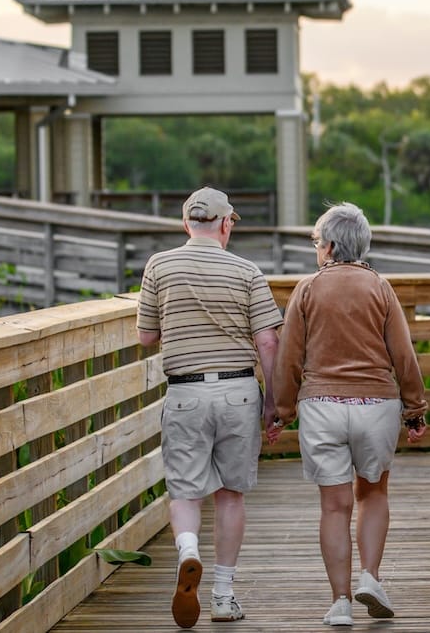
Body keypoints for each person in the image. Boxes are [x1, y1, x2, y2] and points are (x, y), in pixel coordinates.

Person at [274, 202, 428, 627]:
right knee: (373, 494)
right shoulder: (380, 287)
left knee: (334, 507)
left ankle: (340, 602)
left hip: (322, 407)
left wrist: (282, 411)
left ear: (328, 246)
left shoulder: (307, 289)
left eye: (317, 243)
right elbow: (403, 355)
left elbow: (289, 357)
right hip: (376, 406)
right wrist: (415, 409)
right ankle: (370, 578)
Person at [136, 187, 283, 628]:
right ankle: (222, 595)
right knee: (230, 495)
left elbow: (146, 337)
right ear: (225, 225)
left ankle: (188, 550)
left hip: (186, 393)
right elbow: (268, 342)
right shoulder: (247, 271)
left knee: (185, 491)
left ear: (187, 224)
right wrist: (274, 403)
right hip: (239, 392)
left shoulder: (159, 265)